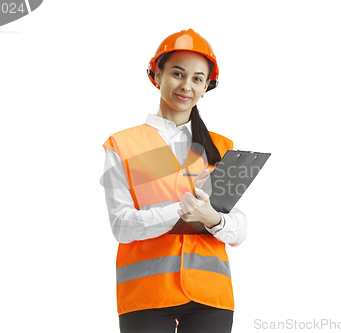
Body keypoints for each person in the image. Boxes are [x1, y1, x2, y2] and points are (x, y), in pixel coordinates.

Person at [101, 29, 248, 333]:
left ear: (207, 86)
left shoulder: (222, 147)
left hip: (211, 295)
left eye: (197, 79)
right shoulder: (122, 144)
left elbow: (239, 230)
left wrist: (213, 219)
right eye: (177, 74)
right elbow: (122, 226)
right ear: (157, 75)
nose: (186, 86)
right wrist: (180, 210)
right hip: (146, 296)